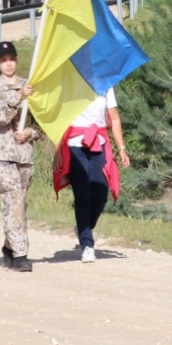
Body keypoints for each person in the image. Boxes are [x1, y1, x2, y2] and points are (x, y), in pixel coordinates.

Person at [52, 84, 131, 262]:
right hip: (74, 145)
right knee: (83, 195)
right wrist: (57, 153)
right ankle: (87, 244)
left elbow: (114, 118)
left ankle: (84, 226)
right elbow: (61, 121)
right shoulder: (70, 82)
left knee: (100, 193)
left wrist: (122, 148)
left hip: (99, 142)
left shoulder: (106, 85)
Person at [0, 41, 39, 271]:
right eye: (3, 60)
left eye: (11, 59)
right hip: (4, 156)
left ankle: (9, 246)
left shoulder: (29, 86)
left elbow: (40, 122)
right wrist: (18, 96)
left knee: (19, 206)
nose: (8, 63)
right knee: (13, 201)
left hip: (25, 156)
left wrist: (30, 132)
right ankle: (21, 255)